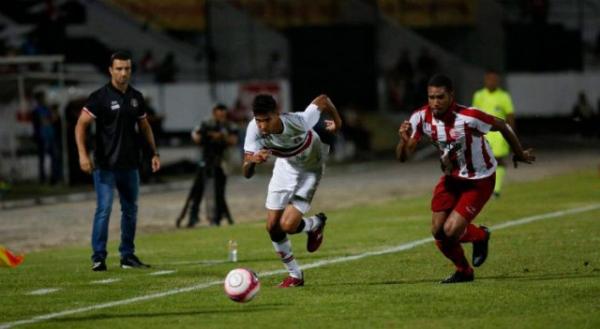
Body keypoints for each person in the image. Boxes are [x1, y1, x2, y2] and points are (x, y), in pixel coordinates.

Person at [396, 74, 535, 284]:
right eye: (431, 97)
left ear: (451, 95)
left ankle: (480, 236)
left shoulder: (469, 117)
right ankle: (464, 271)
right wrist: (403, 141)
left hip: (479, 179)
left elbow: (503, 125)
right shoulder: (421, 117)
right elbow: (403, 157)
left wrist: (519, 153)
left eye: (440, 97)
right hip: (451, 179)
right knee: (437, 231)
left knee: (450, 231)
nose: (435, 102)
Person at [242, 94, 342, 287]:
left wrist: (337, 122)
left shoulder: (299, 121)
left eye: (266, 120)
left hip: (310, 168)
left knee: (287, 225)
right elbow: (246, 172)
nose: (262, 126)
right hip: (285, 167)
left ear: (277, 114)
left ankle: (315, 223)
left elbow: (323, 99)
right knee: (272, 226)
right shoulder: (253, 130)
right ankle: (295, 275)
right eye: (258, 120)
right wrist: (252, 161)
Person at [75, 51, 161, 272]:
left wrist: (154, 153)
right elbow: (80, 125)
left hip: (130, 165)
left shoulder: (136, 97)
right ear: (111, 70)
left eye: (127, 69)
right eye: (119, 69)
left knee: (130, 210)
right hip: (105, 165)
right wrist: (83, 155)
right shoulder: (99, 97)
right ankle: (98, 257)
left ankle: (127, 256)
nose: (124, 73)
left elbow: (144, 127)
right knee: (104, 209)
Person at [176, 104, 239, 228]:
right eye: (219, 113)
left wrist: (221, 136)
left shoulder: (229, 126)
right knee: (197, 189)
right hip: (206, 159)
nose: (221, 116)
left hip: (222, 161)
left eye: (223, 113)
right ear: (214, 112)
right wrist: (207, 136)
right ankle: (193, 216)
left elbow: (233, 140)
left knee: (219, 191)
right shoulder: (206, 124)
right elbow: (197, 137)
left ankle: (218, 216)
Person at [472, 69, 516, 198]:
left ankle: (496, 190)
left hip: (498, 134)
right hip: (483, 133)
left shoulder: (504, 96)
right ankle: (483, 187)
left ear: (498, 81)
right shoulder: (478, 95)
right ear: (485, 80)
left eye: (494, 79)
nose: (492, 82)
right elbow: (474, 114)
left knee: (498, 161)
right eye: (489, 79)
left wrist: (511, 134)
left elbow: (510, 115)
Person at [31, 90, 61, 184]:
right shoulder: (37, 111)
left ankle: (54, 178)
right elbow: (44, 121)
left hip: (50, 135)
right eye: (42, 98)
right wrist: (50, 117)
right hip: (42, 137)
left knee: (54, 157)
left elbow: (53, 119)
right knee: (43, 159)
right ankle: (43, 178)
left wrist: (54, 112)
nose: (44, 100)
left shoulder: (47, 109)